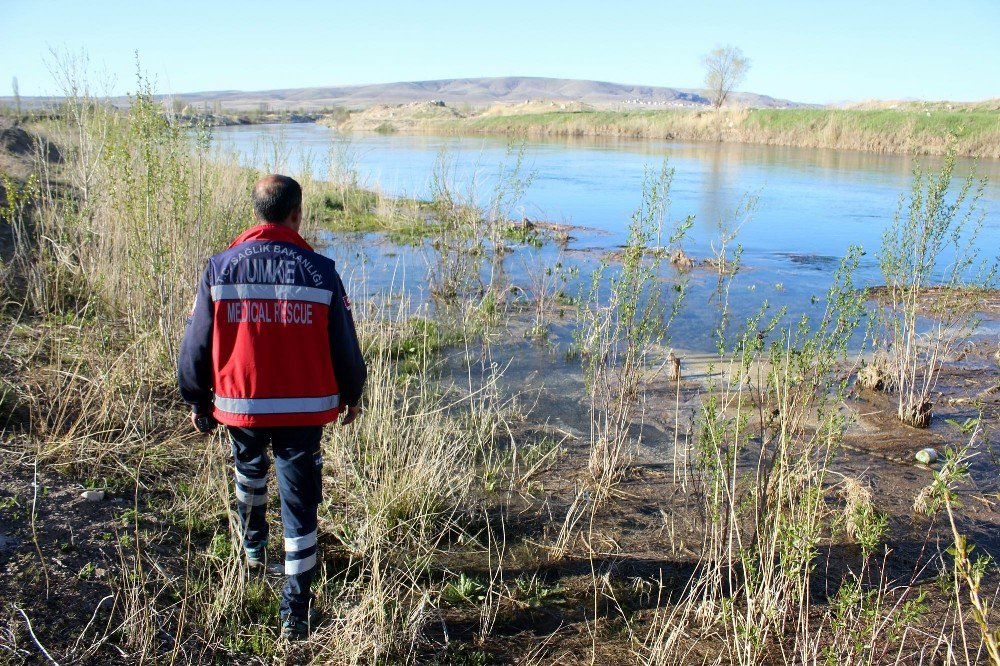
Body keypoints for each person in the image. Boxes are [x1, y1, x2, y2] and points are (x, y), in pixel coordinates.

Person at [177, 174, 366, 639]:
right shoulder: (321, 270)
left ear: (256, 212)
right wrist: (353, 392)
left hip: (240, 404)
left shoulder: (221, 267)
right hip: (303, 413)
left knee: (248, 468)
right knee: (300, 508)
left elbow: (196, 344)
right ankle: (295, 615)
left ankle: (254, 546)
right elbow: (344, 344)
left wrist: (196, 398)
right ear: (296, 213)